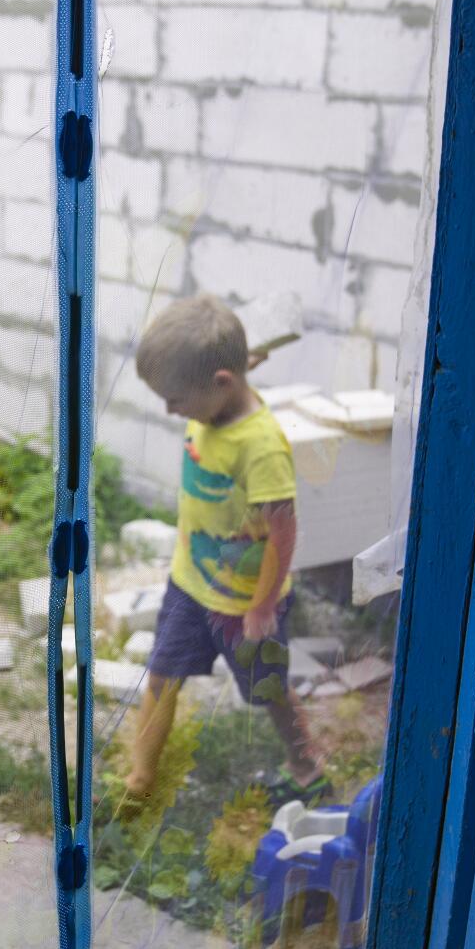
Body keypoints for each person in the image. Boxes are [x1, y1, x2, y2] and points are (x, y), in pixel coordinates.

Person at [123, 295, 320, 801]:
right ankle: (138, 780)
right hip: (190, 584)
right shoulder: (215, 394)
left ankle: (307, 767)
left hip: (246, 605)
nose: (170, 410)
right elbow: (230, 371)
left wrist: (262, 605)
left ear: (222, 385)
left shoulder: (261, 448)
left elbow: (284, 531)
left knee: (269, 692)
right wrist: (244, 362)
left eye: (175, 400)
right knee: (162, 675)